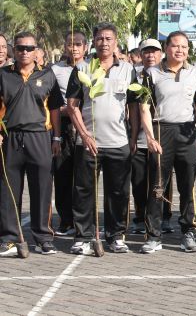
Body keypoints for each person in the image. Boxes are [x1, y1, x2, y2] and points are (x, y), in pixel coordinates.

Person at [66, 23, 138, 255]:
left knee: (118, 192)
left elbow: (135, 107)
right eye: (99, 38)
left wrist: (134, 137)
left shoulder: (128, 69)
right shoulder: (82, 67)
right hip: (88, 144)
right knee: (84, 191)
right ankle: (83, 237)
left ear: (116, 42)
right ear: (93, 42)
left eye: (108, 39)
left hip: (119, 143)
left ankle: (116, 236)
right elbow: (72, 105)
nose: (104, 43)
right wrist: (85, 135)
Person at [139, 31, 196, 254]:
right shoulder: (152, 73)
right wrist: (150, 136)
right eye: (175, 46)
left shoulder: (195, 72)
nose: (180, 50)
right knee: (158, 187)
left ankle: (188, 233)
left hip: (187, 132)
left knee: (188, 186)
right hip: (162, 131)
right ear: (166, 48)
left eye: (184, 47)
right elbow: (145, 108)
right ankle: (154, 235)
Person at [0, 32, 62, 256]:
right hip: (11, 137)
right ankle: (9, 238)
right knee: (8, 191)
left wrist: (57, 137)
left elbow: (55, 109)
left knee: (42, 189)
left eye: (29, 48)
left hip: (40, 137)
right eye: (20, 48)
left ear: (37, 51)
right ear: (13, 51)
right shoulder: (3, 75)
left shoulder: (48, 75)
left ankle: (43, 238)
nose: (24, 52)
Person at [129, 39, 173, 236]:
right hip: (138, 136)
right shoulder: (133, 75)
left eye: (154, 51)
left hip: (163, 136)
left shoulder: (166, 73)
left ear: (161, 53)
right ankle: (140, 217)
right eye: (146, 52)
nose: (150, 55)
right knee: (139, 180)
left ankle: (165, 216)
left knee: (163, 179)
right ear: (141, 53)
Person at [50, 31, 88, 236]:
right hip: (64, 128)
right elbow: (51, 102)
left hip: (86, 128)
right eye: (69, 44)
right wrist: (65, 110)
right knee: (63, 174)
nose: (74, 48)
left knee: (83, 178)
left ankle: (83, 220)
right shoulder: (54, 70)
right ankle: (66, 220)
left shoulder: (92, 68)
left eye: (78, 44)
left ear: (85, 47)